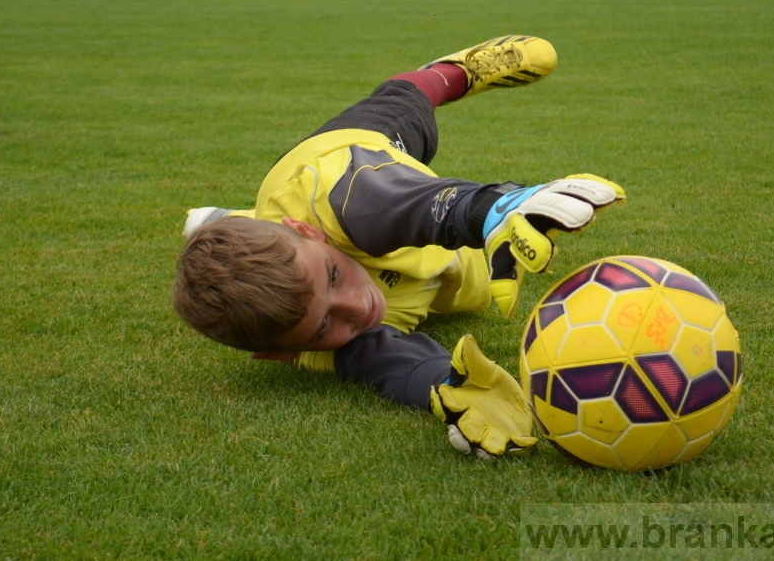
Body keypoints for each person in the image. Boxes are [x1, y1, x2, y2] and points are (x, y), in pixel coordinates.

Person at [173, 36, 624, 458]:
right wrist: (451, 388)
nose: (357, 304)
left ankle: (453, 69)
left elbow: (398, 204)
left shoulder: (339, 199)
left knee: (406, 106)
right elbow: (387, 362)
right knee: (476, 296)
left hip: (352, 155)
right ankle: (233, 223)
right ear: (280, 352)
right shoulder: (314, 344)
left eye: (332, 275)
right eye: (324, 324)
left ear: (309, 234)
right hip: (431, 271)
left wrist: (488, 210)